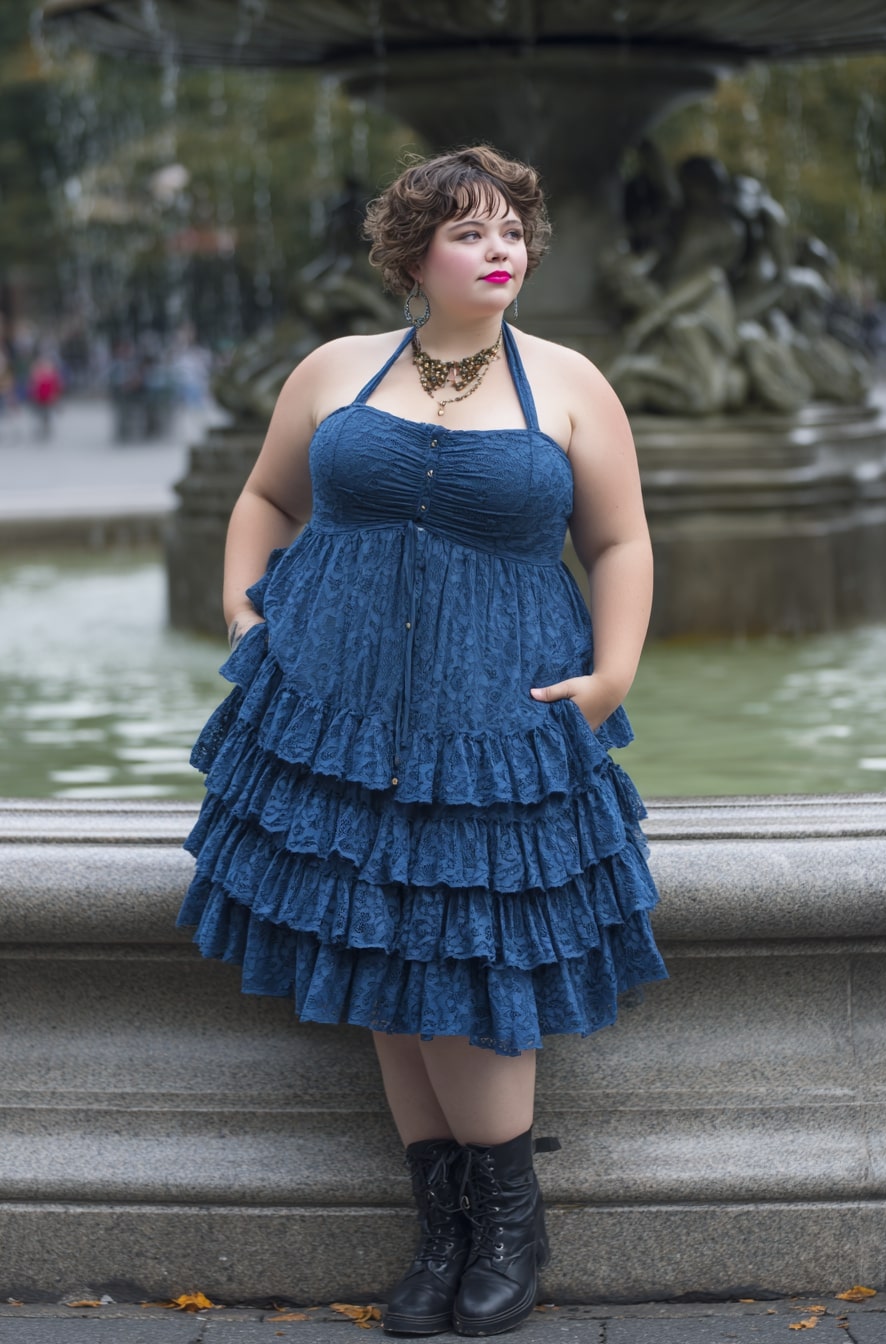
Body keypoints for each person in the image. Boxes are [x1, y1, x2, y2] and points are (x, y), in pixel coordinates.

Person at [177, 146, 667, 1336]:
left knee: (465, 957)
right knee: (388, 953)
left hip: (493, 712)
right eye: (468, 233)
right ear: (413, 255)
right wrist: (246, 605)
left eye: (511, 231)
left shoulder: (567, 382)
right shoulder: (336, 368)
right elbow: (263, 499)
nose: (500, 251)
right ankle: (440, 1225)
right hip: (330, 708)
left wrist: (610, 676)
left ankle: (508, 1221)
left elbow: (619, 543)